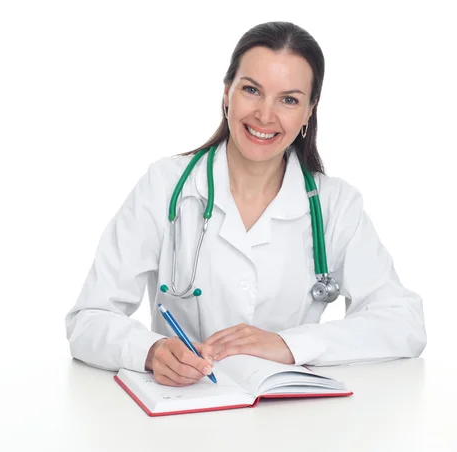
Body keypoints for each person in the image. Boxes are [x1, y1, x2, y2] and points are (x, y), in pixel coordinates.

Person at [65, 21, 426, 387]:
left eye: (289, 99)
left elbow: (403, 323)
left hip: (294, 419)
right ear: (227, 93)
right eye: (252, 90)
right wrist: (150, 350)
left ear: (308, 112)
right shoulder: (165, 186)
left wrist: (288, 345)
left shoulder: (336, 205)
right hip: (186, 413)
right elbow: (89, 318)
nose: (265, 116)